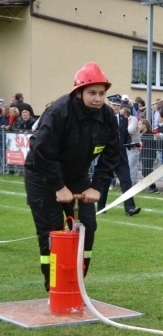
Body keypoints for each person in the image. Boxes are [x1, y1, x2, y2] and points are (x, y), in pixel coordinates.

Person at [23, 62, 120, 290]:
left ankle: (77, 285)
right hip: (43, 176)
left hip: (77, 176)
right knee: (52, 231)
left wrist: (96, 186)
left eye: (101, 94)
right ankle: (55, 287)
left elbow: (112, 154)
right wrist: (58, 186)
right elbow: (42, 152)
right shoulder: (59, 112)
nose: (97, 98)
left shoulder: (106, 116)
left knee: (88, 225)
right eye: (92, 93)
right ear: (78, 92)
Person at [97, 97, 141, 217]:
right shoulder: (103, 119)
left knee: (126, 181)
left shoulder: (123, 119)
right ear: (110, 105)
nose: (116, 107)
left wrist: (133, 145)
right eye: (114, 104)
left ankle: (130, 208)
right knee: (105, 183)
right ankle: (101, 207)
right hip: (107, 156)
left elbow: (126, 137)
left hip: (121, 156)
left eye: (118, 105)